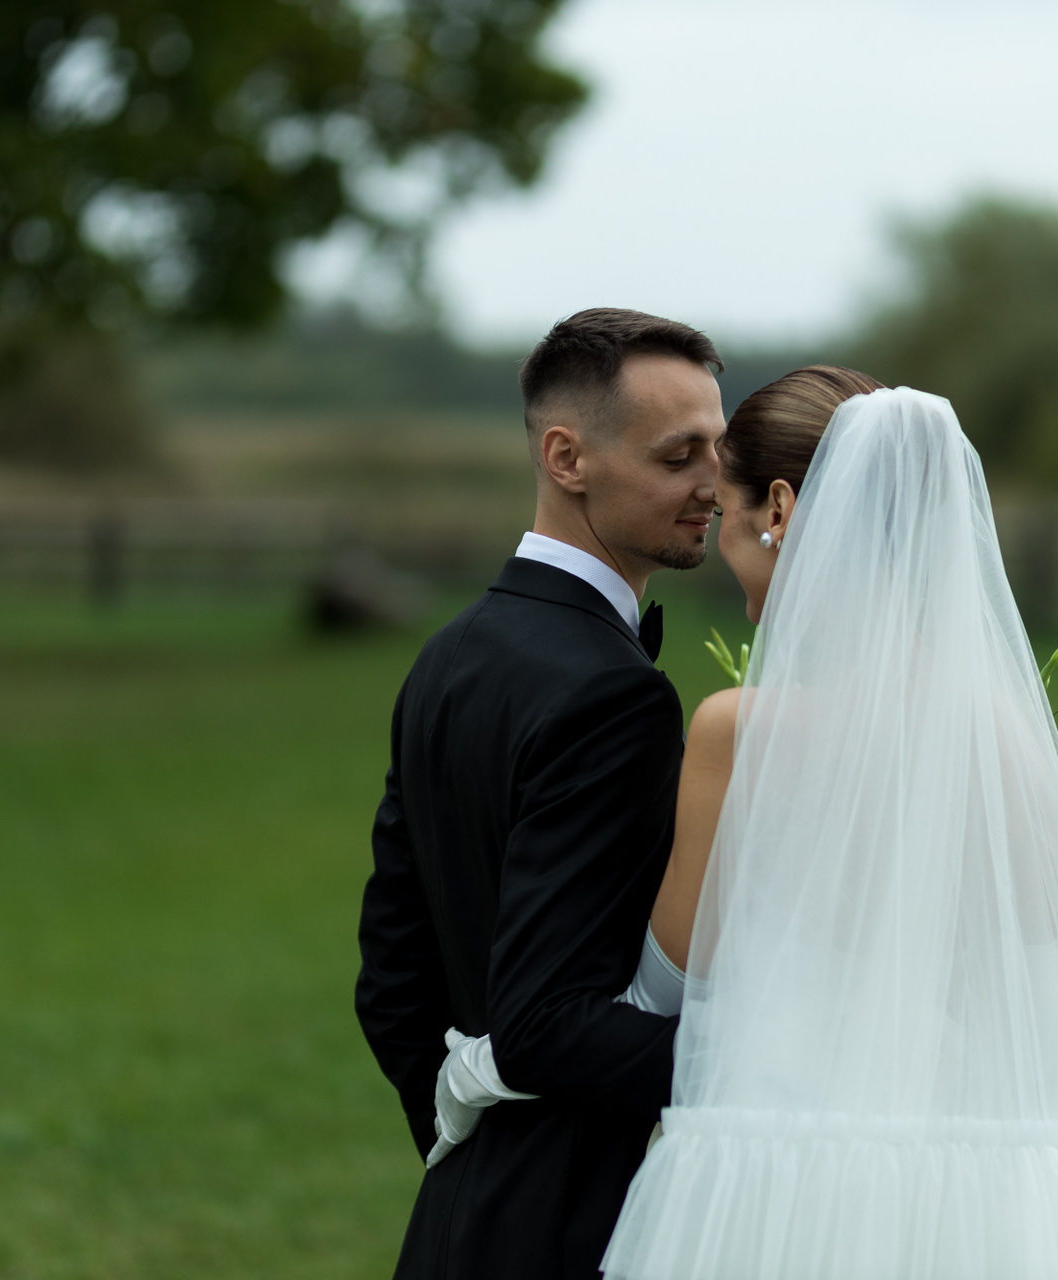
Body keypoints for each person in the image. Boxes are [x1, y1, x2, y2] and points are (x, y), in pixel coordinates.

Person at [446, 367, 1058, 1278]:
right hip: (982, 1193)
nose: (720, 542)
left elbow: (666, 994)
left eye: (727, 511)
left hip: (788, 1181)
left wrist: (490, 1064)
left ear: (781, 509)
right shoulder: (1014, 749)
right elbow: (1014, 987)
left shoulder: (740, 734)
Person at [354, 308, 724, 1280]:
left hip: (461, 1216)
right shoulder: (614, 693)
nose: (714, 484)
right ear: (568, 458)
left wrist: (464, 1140)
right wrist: (778, 1070)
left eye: (718, 450)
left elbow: (392, 973)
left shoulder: (449, 651)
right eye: (679, 455)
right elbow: (545, 1023)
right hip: (578, 1221)